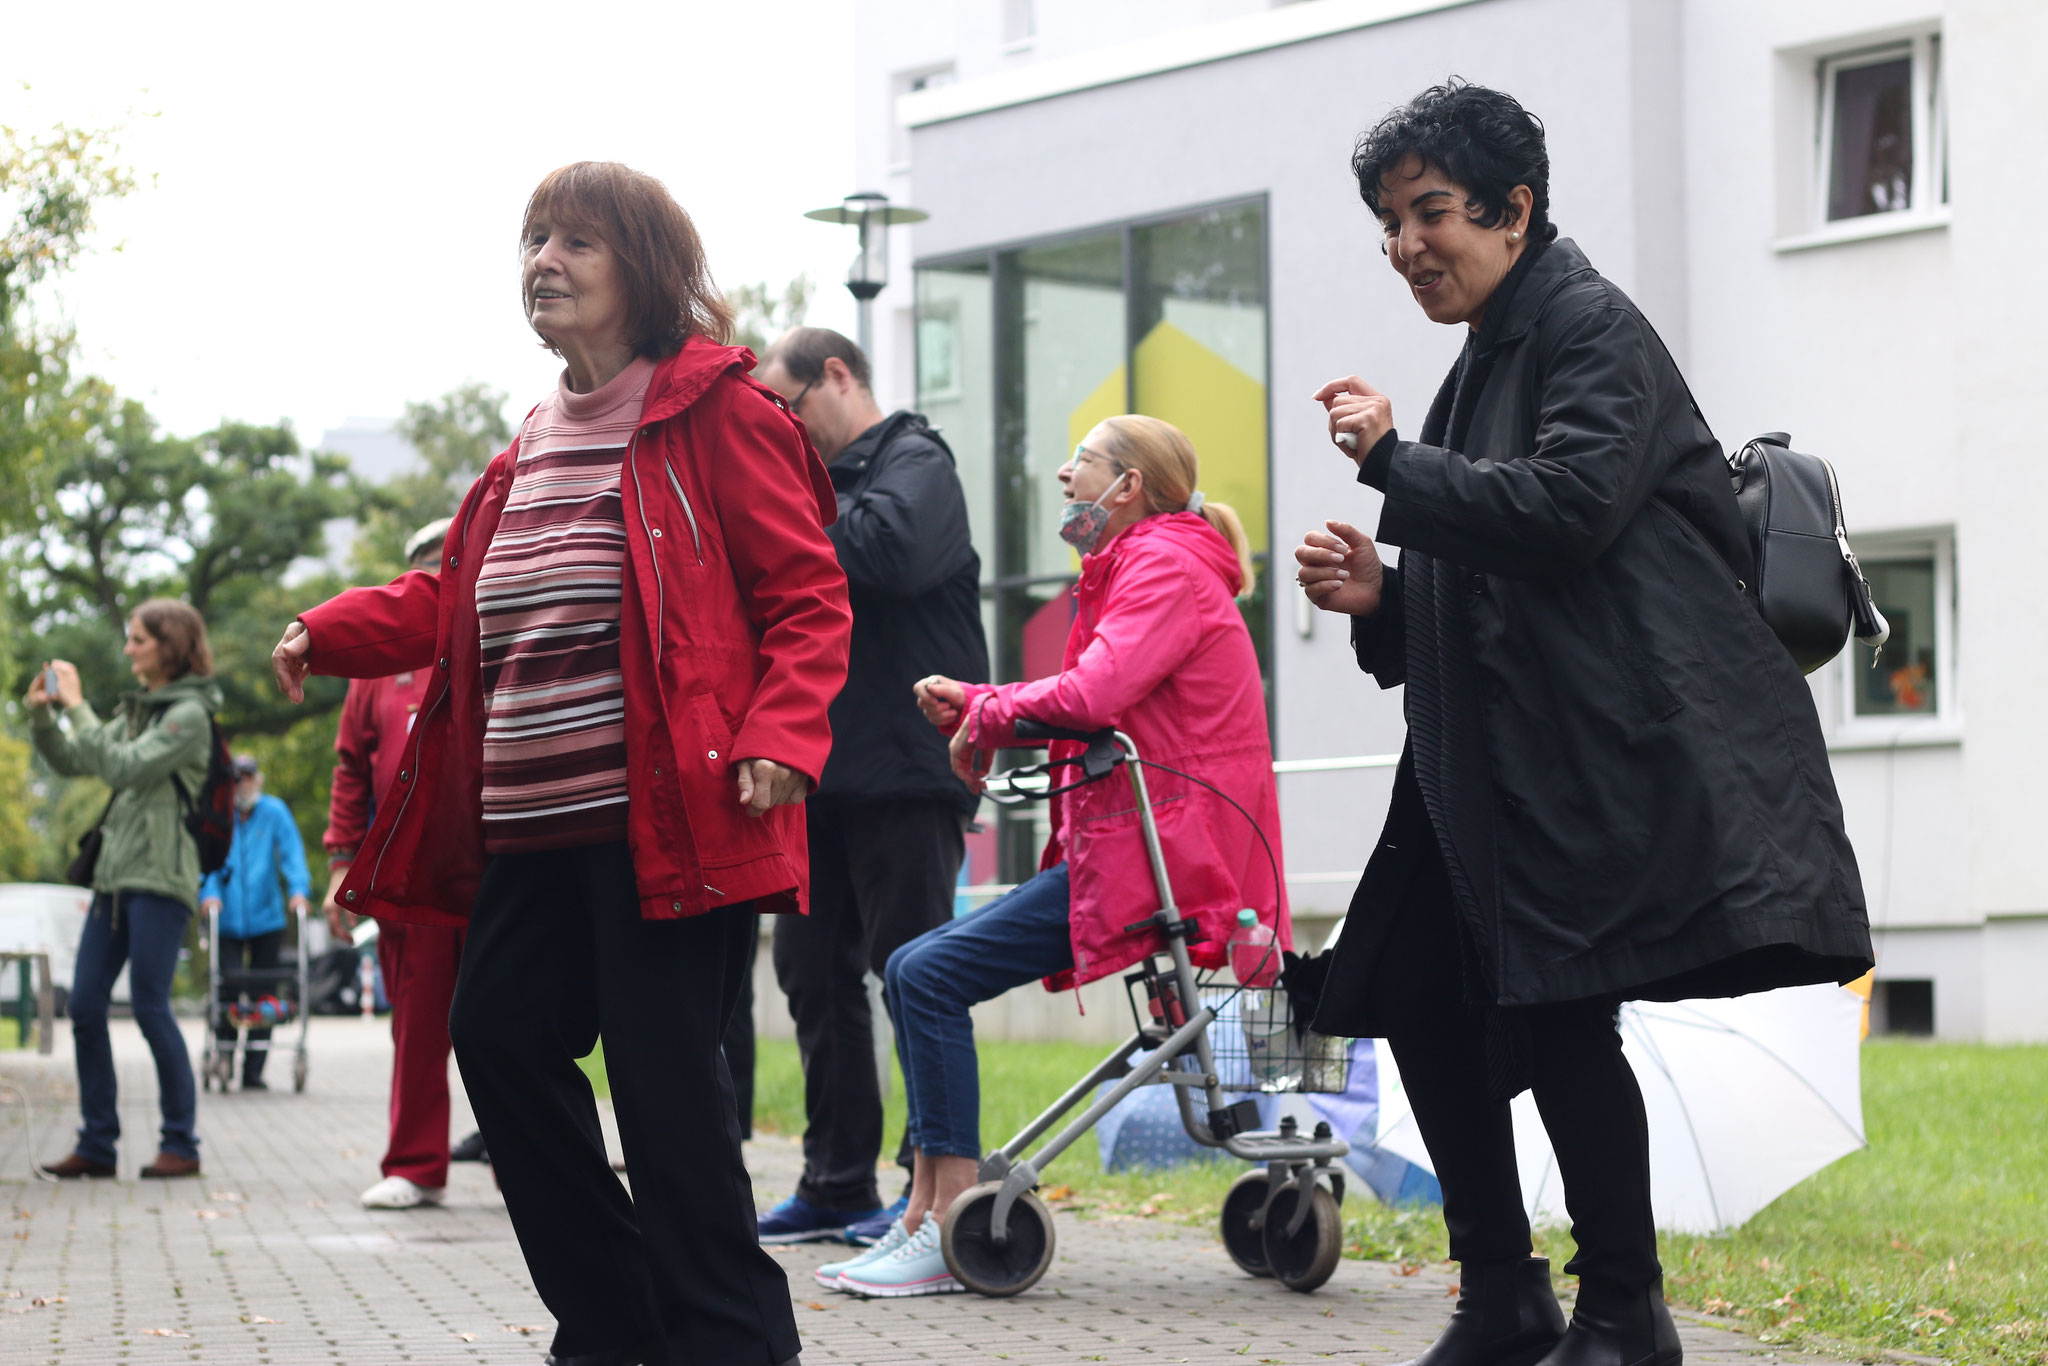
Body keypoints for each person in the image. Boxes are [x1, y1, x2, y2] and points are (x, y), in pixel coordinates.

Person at [1292, 81, 1874, 1366]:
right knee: (1427, 1005)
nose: (1404, 246)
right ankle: (1500, 1293)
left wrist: (1392, 463)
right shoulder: (1489, 354)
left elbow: (1564, 509)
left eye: (1428, 212)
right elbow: (1489, 570)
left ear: (1514, 209)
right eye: (1388, 221)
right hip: (1482, 769)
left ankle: (1623, 1311)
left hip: (1581, 760)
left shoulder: (1585, 325)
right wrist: (1384, 598)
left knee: (1560, 1015)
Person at [268, 160, 842, 1366]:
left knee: (666, 1097)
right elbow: (455, 591)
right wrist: (330, 630)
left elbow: (805, 594)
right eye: (533, 237)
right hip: (528, 830)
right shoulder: (529, 438)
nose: (545, 259)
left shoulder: (718, 413)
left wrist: (783, 737)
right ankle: (617, 1317)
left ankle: (732, 1339)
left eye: (576, 241)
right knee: (499, 1042)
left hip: (666, 824)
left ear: (642, 268)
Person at [823, 414, 1287, 1298]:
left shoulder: (1160, 567)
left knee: (922, 975)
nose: (1065, 478)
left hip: (1167, 862)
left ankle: (950, 1209)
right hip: (1142, 850)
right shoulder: (1136, 568)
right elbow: (1094, 704)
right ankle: (925, 1211)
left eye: (1083, 463)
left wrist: (983, 710)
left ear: (1130, 488)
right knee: (916, 966)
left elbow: (1096, 692)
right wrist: (985, 711)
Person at [750, 326, 989, 1247]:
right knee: (810, 974)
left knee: (912, 973)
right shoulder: (813, 483)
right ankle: (836, 1180)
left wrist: (774, 522)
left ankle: (926, 1184)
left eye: (786, 407)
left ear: (837, 376)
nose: (778, 428)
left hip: (904, 769)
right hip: (817, 773)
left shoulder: (918, 459)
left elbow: (884, 553)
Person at [320, 516, 486, 1207]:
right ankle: (415, 1164)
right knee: (417, 1020)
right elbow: (351, 771)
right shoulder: (377, 669)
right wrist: (339, 867)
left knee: (510, 1017)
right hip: (407, 874)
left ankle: (531, 1161)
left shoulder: (490, 642)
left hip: (490, 867)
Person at [28, 600, 222, 1180]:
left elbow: (122, 768)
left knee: (149, 1006)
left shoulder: (188, 716)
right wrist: (45, 715)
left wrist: (80, 706)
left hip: (161, 880)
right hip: (114, 880)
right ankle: (97, 1143)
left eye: (138, 639)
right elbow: (74, 757)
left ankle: (181, 1144)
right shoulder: (139, 713)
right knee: (85, 1004)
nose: (129, 649)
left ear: (171, 645)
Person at [198, 753, 312, 1091]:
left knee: (265, 995)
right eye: (236, 778)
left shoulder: (274, 812)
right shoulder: (220, 817)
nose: (242, 784)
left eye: (247, 777)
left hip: (267, 918)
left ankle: (253, 1071)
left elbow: (292, 854)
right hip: (228, 918)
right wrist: (208, 893)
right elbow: (209, 862)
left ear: (257, 779)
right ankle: (224, 1057)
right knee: (228, 988)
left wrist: (299, 890)